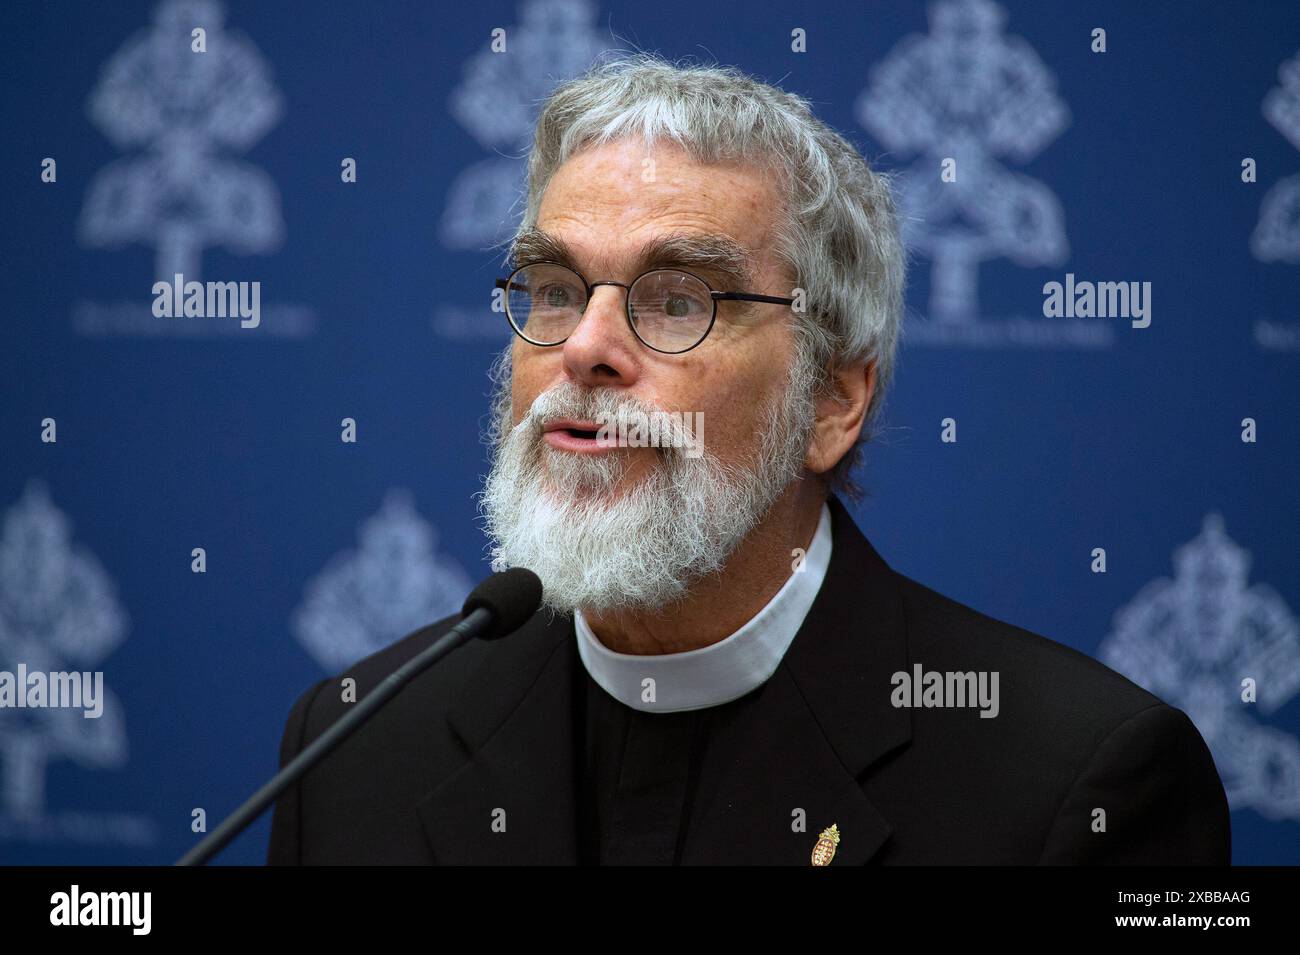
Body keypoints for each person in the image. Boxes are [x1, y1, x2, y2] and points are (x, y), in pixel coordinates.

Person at [267, 54, 1229, 865]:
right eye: (555, 288)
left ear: (832, 401)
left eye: (680, 300)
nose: (584, 347)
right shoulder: (355, 749)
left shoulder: (1077, 781)